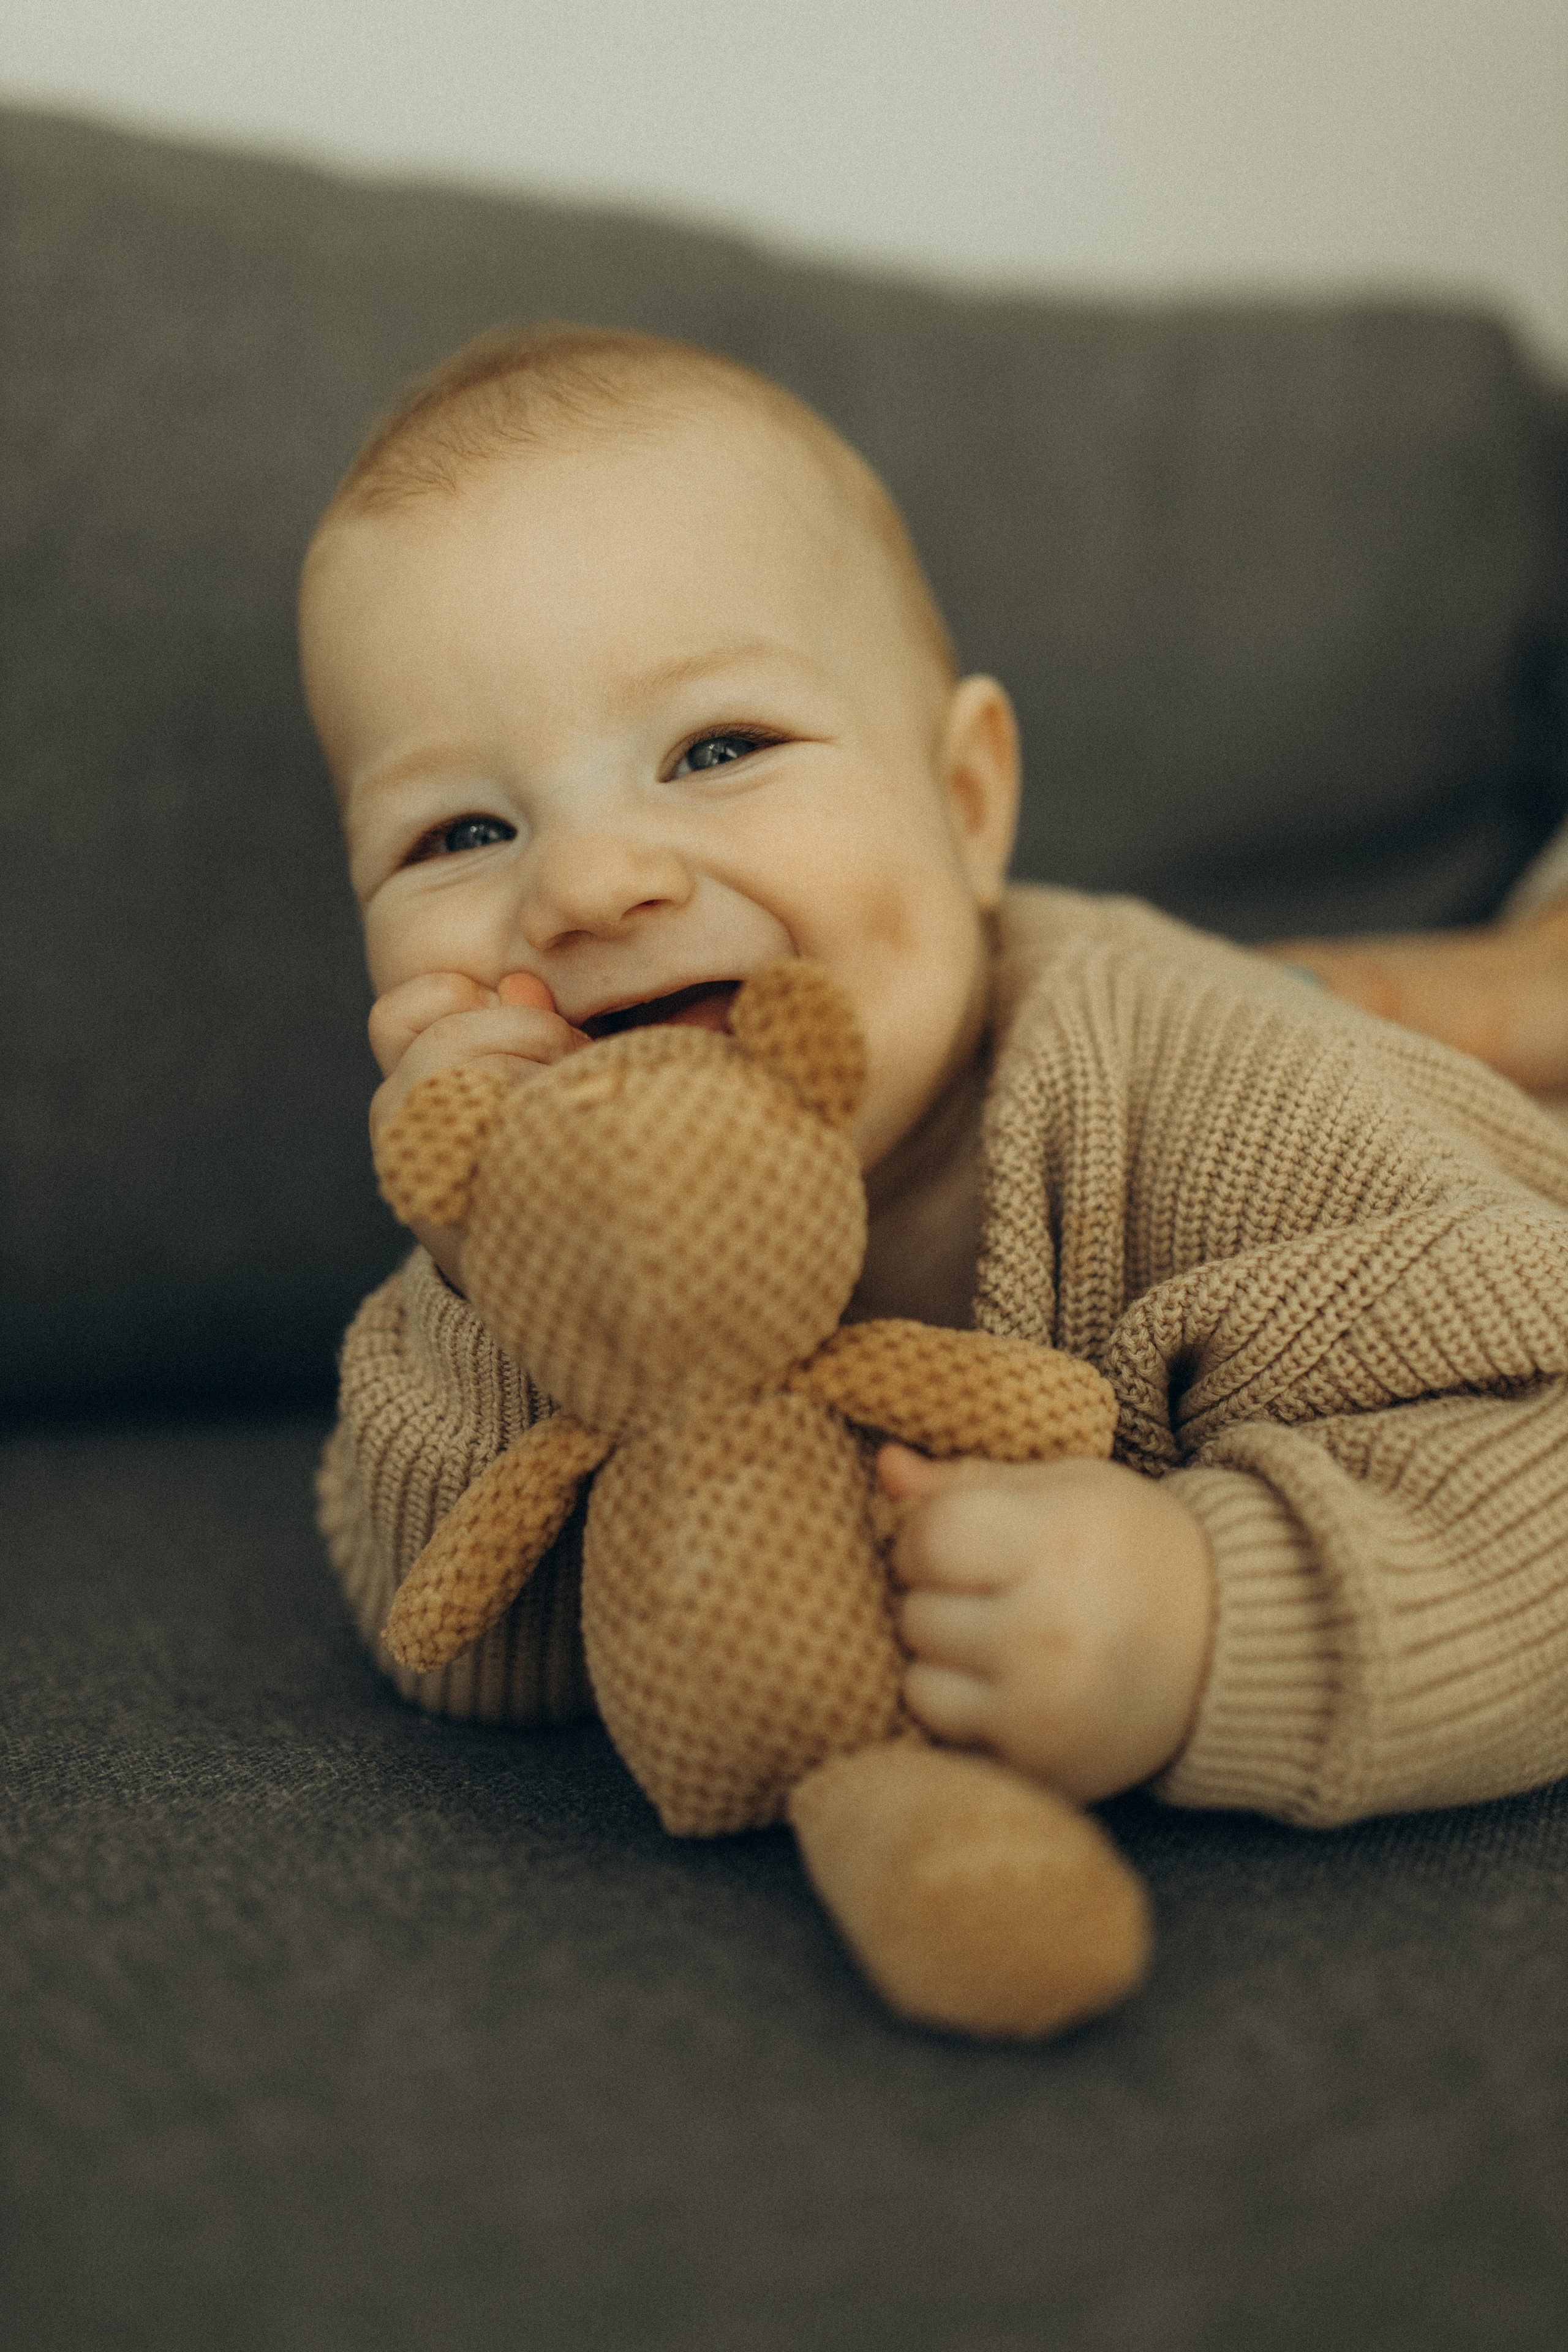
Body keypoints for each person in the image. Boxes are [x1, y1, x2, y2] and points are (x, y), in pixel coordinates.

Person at [306, 322, 1568, 1830]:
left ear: (964, 803)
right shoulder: (563, 1204)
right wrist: (498, 1297)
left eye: (713, 748)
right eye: (457, 835)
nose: (585, 882)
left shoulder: (1205, 1098)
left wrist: (1211, 1617)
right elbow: (454, 1644)